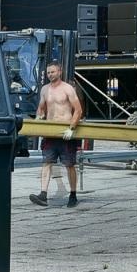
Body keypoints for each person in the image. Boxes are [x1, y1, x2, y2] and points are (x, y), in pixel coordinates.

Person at [29, 62, 84, 208]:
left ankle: (73, 195)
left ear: (59, 72)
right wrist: (38, 119)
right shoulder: (45, 90)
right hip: (50, 133)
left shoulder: (68, 89)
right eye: (48, 73)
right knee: (46, 163)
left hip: (66, 132)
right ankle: (43, 194)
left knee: (70, 165)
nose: (50, 75)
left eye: (52, 72)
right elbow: (41, 109)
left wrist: (72, 128)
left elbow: (78, 110)